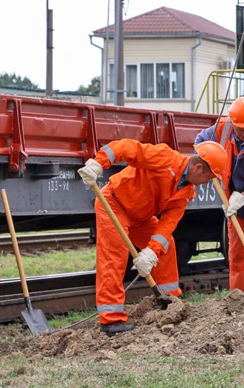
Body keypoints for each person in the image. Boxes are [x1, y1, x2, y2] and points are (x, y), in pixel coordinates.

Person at [78, 138, 227, 336]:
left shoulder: (186, 192)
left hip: (141, 216)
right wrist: (99, 162)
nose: (208, 182)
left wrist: (151, 252)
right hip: (114, 203)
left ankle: (169, 302)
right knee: (115, 256)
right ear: (198, 168)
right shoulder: (166, 158)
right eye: (209, 177)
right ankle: (111, 320)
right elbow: (128, 148)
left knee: (166, 246)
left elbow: (167, 225)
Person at [195, 97, 244, 294]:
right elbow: (200, 142)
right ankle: (240, 295)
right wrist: (210, 167)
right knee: (238, 251)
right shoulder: (221, 128)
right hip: (231, 194)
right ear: (233, 123)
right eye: (241, 129)